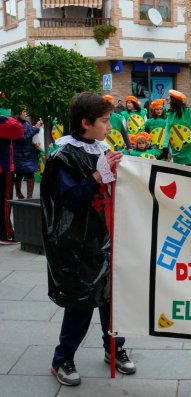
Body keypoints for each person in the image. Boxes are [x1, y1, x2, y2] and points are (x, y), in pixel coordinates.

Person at [41, 92, 136, 387]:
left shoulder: (101, 147)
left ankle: (114, 347)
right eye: (105, 121)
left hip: (105, 237)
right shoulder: (62, 156)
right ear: (86, 122)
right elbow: (69, 200)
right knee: (82, 303)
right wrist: (97, 176)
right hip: (77, 243)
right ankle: (62, 359)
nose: (110, 126)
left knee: (112, 299)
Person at [165, 89, 191, 166]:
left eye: (170, 99)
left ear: (174, 101)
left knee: (189, 172)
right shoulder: (170, 115)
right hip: (178, 149)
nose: (168, 100)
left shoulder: (189, 113)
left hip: (190, 148)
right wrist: (165, 147)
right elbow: (167, 131)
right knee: (179, 173)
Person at [0, 115, 24, 243]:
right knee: (5, 201)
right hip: (4, 168)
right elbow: (19, 130)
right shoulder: (3, 122)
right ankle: (6, 234)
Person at [12, 108, 41, 200]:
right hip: (21, 154)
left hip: (29, 153)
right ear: (19, 113)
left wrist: (35, 141)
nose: (26, 114)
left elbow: (29, 136)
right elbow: (23, 138)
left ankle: (29, 197)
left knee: (30, 174)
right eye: (24, 112)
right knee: (19, 174)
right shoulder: (16, 125)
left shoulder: (27, 123)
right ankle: (19, 193)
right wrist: (35, 129)